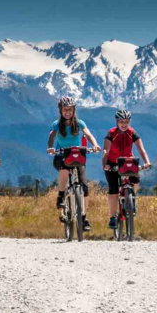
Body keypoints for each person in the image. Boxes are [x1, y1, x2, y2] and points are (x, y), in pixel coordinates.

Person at [46, 96, 101, 231]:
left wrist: (95, 145)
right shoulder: (56, 124)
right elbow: (52, 136)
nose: (67, 112)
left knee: (85, 187)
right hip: (61, 156)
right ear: (61, 111)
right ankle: (61, 195)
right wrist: (50, 147)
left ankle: (83, 217)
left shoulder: (80, 123)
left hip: (77, 156)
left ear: (74, 110)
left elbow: (88, 134)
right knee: (64, 170)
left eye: (70, 110)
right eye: (65, 110)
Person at [102, 109, 152, 229]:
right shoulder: (111, 133)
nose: (124, 124)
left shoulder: (132, 132)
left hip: (127, 162)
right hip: (112, 163)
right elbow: (105, 151)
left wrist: (147, 162)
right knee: (113, 190)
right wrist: (105, 164)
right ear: (117, 121)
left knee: (135, 181)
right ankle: (113, 218)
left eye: (127, 121)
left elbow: (141, 149)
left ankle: (132, 199)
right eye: (122, 121)